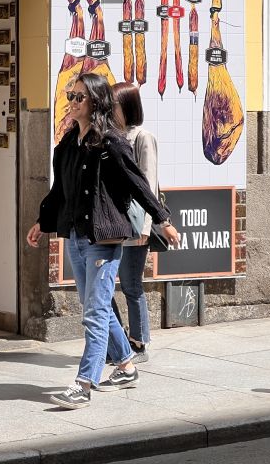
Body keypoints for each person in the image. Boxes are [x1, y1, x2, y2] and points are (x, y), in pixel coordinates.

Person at [26, 73, 179, 410]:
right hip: (77, 236)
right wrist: (43, 221)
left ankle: (83, 383)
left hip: (104, 238)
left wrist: (163, 220)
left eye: (80, 96)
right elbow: (59, 190)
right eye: (71, 95)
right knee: (95, 306)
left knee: (94, 312)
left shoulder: (111, 143)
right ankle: (125, 365)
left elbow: (140, 184)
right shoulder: (68, 142)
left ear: (95, 102)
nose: (73, 102)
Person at [111, 82, 159, 363]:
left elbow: (148, 184)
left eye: (114, 105)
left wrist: (144, 227)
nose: (110, 109)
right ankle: (118, 343)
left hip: (135, 223)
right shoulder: (112, 136)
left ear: (126, 106)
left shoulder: (143, 137)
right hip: (114, 224)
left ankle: (139, 342)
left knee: (130, 284)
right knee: (106, 288)